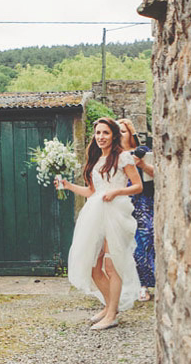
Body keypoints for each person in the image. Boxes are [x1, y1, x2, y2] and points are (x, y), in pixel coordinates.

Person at [56, 118, 143, 330]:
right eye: (98, 133)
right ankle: (109, 305)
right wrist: (68, 186)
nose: (101, 137)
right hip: (96, 213)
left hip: (116, 213)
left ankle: (112, 314)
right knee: (94, 267)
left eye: (105, 133)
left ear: (113, 135)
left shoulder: (123, 158)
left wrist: (117, 191)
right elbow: (91, 192)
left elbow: (138, 186)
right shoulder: (96, 160)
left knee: (112, 267)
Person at [117, 118, 155, 301]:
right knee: (123, 243)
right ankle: (125, 284)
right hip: (121, 203)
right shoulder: (113, 155)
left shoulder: (142, 152)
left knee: (144, 242)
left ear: (131, 134)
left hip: (143, 203)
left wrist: (142, 164)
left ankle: (144, 285)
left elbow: (157, 173)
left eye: (123, 131)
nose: (119, 134)